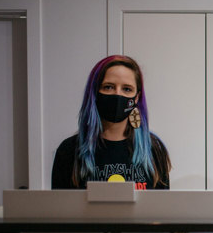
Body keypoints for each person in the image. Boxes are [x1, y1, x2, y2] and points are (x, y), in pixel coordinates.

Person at [52, 55, 171, 189]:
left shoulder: (153, 149)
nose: (117, 94)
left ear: (136, 97)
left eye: (127, 89)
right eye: (108, 87)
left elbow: (161, 208)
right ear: (95, 92)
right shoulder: (69, 151)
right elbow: (60, 208)